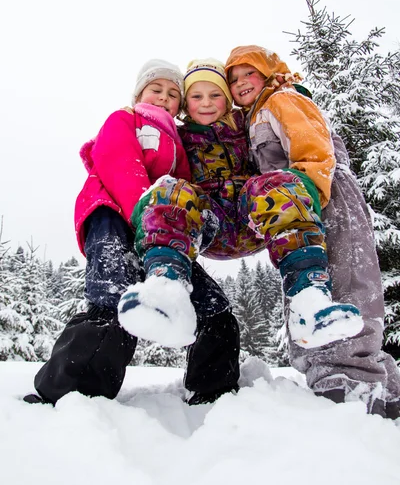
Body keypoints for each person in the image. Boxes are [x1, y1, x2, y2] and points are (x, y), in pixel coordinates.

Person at [23, 59, 240, 406]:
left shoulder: (178, 143)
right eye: (157, 89)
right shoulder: (125, 119)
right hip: (111, 212)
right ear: (140, 92)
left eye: (172, 94)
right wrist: (146, 212)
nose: (164, 98)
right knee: (114, 293)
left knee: (211, 304)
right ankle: (69, 396)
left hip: (158, 234)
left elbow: (184, 190)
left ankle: (215, 390)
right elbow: (117, 161)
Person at [119, 58, 363, 361]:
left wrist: (290, 89)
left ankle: (309, 299)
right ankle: (167, 288)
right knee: (171, 188)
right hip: (210, 224)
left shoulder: (247, 123)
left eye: (215, 95)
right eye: (196, 96)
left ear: (228, 99)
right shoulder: (179, 136)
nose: (206, 103)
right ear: (185, 105)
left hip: (257, 218)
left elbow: (276, 111)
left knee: (275, 184)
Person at [224, 44, 400, 418]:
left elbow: (315, 149)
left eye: (248, 74)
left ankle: (354, 379)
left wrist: (309, 201)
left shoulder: (283, 100)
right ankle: (339, 374)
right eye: (234, 79)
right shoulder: (255, 116)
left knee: (344, 278)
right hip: (301, 204)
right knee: (311, 285)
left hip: (325, 194)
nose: (240, 84)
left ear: (269, 74)